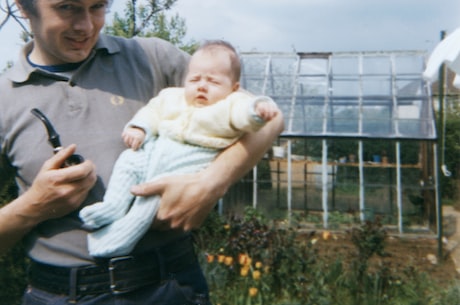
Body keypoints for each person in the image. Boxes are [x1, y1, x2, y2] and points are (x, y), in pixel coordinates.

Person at [0, 0, 284, 304]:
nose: (86, 26)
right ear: (23, 8)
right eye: (67, 7)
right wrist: (33, 206)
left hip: (168, 286)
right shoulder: (5, 100)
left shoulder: (151, 57)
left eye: (97, 6)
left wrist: (211, 183)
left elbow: (270, 118)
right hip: (59, 294)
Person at [79, 40, 279, 258]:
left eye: (213, 81)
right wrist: (139, 128)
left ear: (234, 88)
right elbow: (152, 112)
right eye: (194, 79)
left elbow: (244, 114)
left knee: (153, 199)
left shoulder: (231, 104)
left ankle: (120, 237)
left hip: (189, 162)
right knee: (128, 160)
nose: (201, 86)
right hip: (155, 150)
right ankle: (113, 205)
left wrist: (257, 110)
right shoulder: (171, 97)